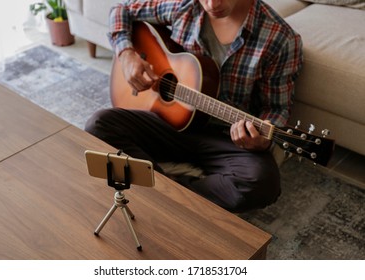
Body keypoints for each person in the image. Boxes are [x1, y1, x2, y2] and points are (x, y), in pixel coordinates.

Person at [85, 0, 303, 213]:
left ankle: (163, 191)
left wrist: (262, 139)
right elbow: (121, 10)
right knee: (98, 125)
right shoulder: (184, 6)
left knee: (262, 184)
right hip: (168, 121)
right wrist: (126, 54)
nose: (211, 4)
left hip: (226, 136)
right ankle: (176, 196)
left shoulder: (280, 38)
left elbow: (276, 108)